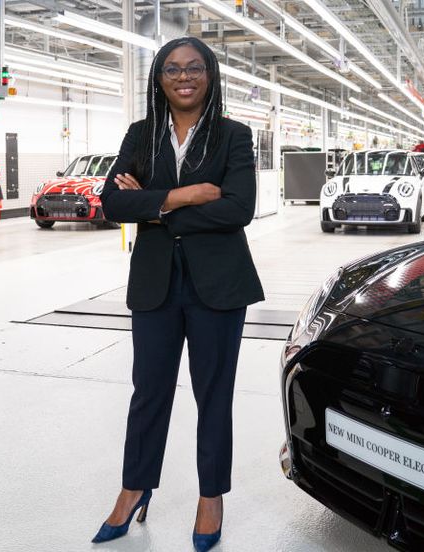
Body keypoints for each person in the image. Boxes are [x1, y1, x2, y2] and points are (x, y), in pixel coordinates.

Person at [93, 36, 264, 551]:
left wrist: (151, 202)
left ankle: (210, 497)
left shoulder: (233, 135)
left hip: (219, 286)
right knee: (149, 392)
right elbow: (112, 206)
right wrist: (184, 195)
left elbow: (238, 209)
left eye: (194, 68)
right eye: (172, 69)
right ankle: (133, 488)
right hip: (155, 284)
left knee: (214, 395)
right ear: (159, 78)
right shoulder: (140, 134)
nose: (183, 76)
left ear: (210, 75)